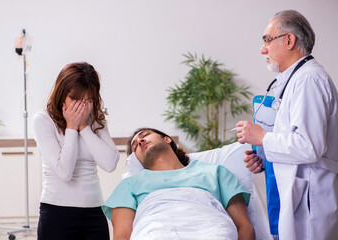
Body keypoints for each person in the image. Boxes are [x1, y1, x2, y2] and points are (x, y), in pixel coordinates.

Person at [235, 10, 338, 240]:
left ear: (289, 40)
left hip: (313, 201)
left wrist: (262, 138)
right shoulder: (296, 79)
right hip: (299, 195)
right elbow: (295, 141)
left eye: (266, 40)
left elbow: (310, 146)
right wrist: (265, 159)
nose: (263, 49)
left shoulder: (309, 80)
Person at [102, 128, 255, 240]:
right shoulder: (130, 184)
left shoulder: (215, 172)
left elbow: (244, 226)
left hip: (211, 229)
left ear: (167, 139)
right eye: (135, 146)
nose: (140, 141)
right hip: (155, 232)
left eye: (145, 135)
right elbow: (122, 237)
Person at [33, 62, 120, 240]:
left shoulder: (95, 119)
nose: (81, 107)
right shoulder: (43, 120)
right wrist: (72, 127)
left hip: (94, 210)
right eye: (75, 100)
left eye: (88, 100)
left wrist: (84, 126)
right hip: (56, 211)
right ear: (61, 94)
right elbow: (64, 172)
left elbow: (110, 163)